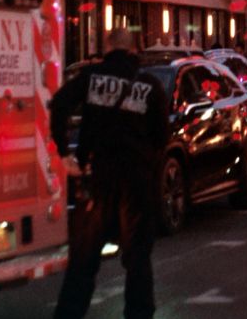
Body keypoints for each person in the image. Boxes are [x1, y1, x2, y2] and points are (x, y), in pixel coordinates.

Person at [49, 28, 168, 319]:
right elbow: (162, 136)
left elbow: (60, 104)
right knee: (138, 259)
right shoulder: (150, 85)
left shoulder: (91, 78)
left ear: (107, 49)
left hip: (97, 177)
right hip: (136, 181)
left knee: (83, 261)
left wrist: (65, 154)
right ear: (133, 51)